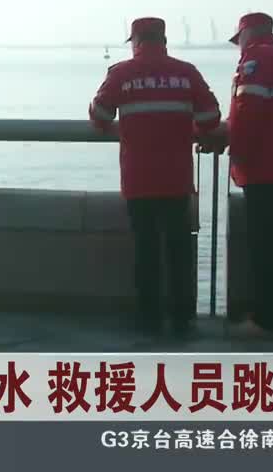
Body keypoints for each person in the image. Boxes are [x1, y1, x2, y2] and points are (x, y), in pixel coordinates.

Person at [89, 17, 222, 336]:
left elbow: (100, 116)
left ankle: (148, 319)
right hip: (177, 178)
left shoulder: (120, 74)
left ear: (135, 42)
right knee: (179, 249)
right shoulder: (186, 72)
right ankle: (182, 318)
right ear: (163, 40)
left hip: (139, 178)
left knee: (145, 250)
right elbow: (211, 117)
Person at [213, 11, 273, 335]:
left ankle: (267, 321)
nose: (239, 47)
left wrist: (234, 148)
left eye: (239, 40)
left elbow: (248, 111)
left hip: (263, 166)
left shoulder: (256, 59)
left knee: (266, 247)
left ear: (247, 34)